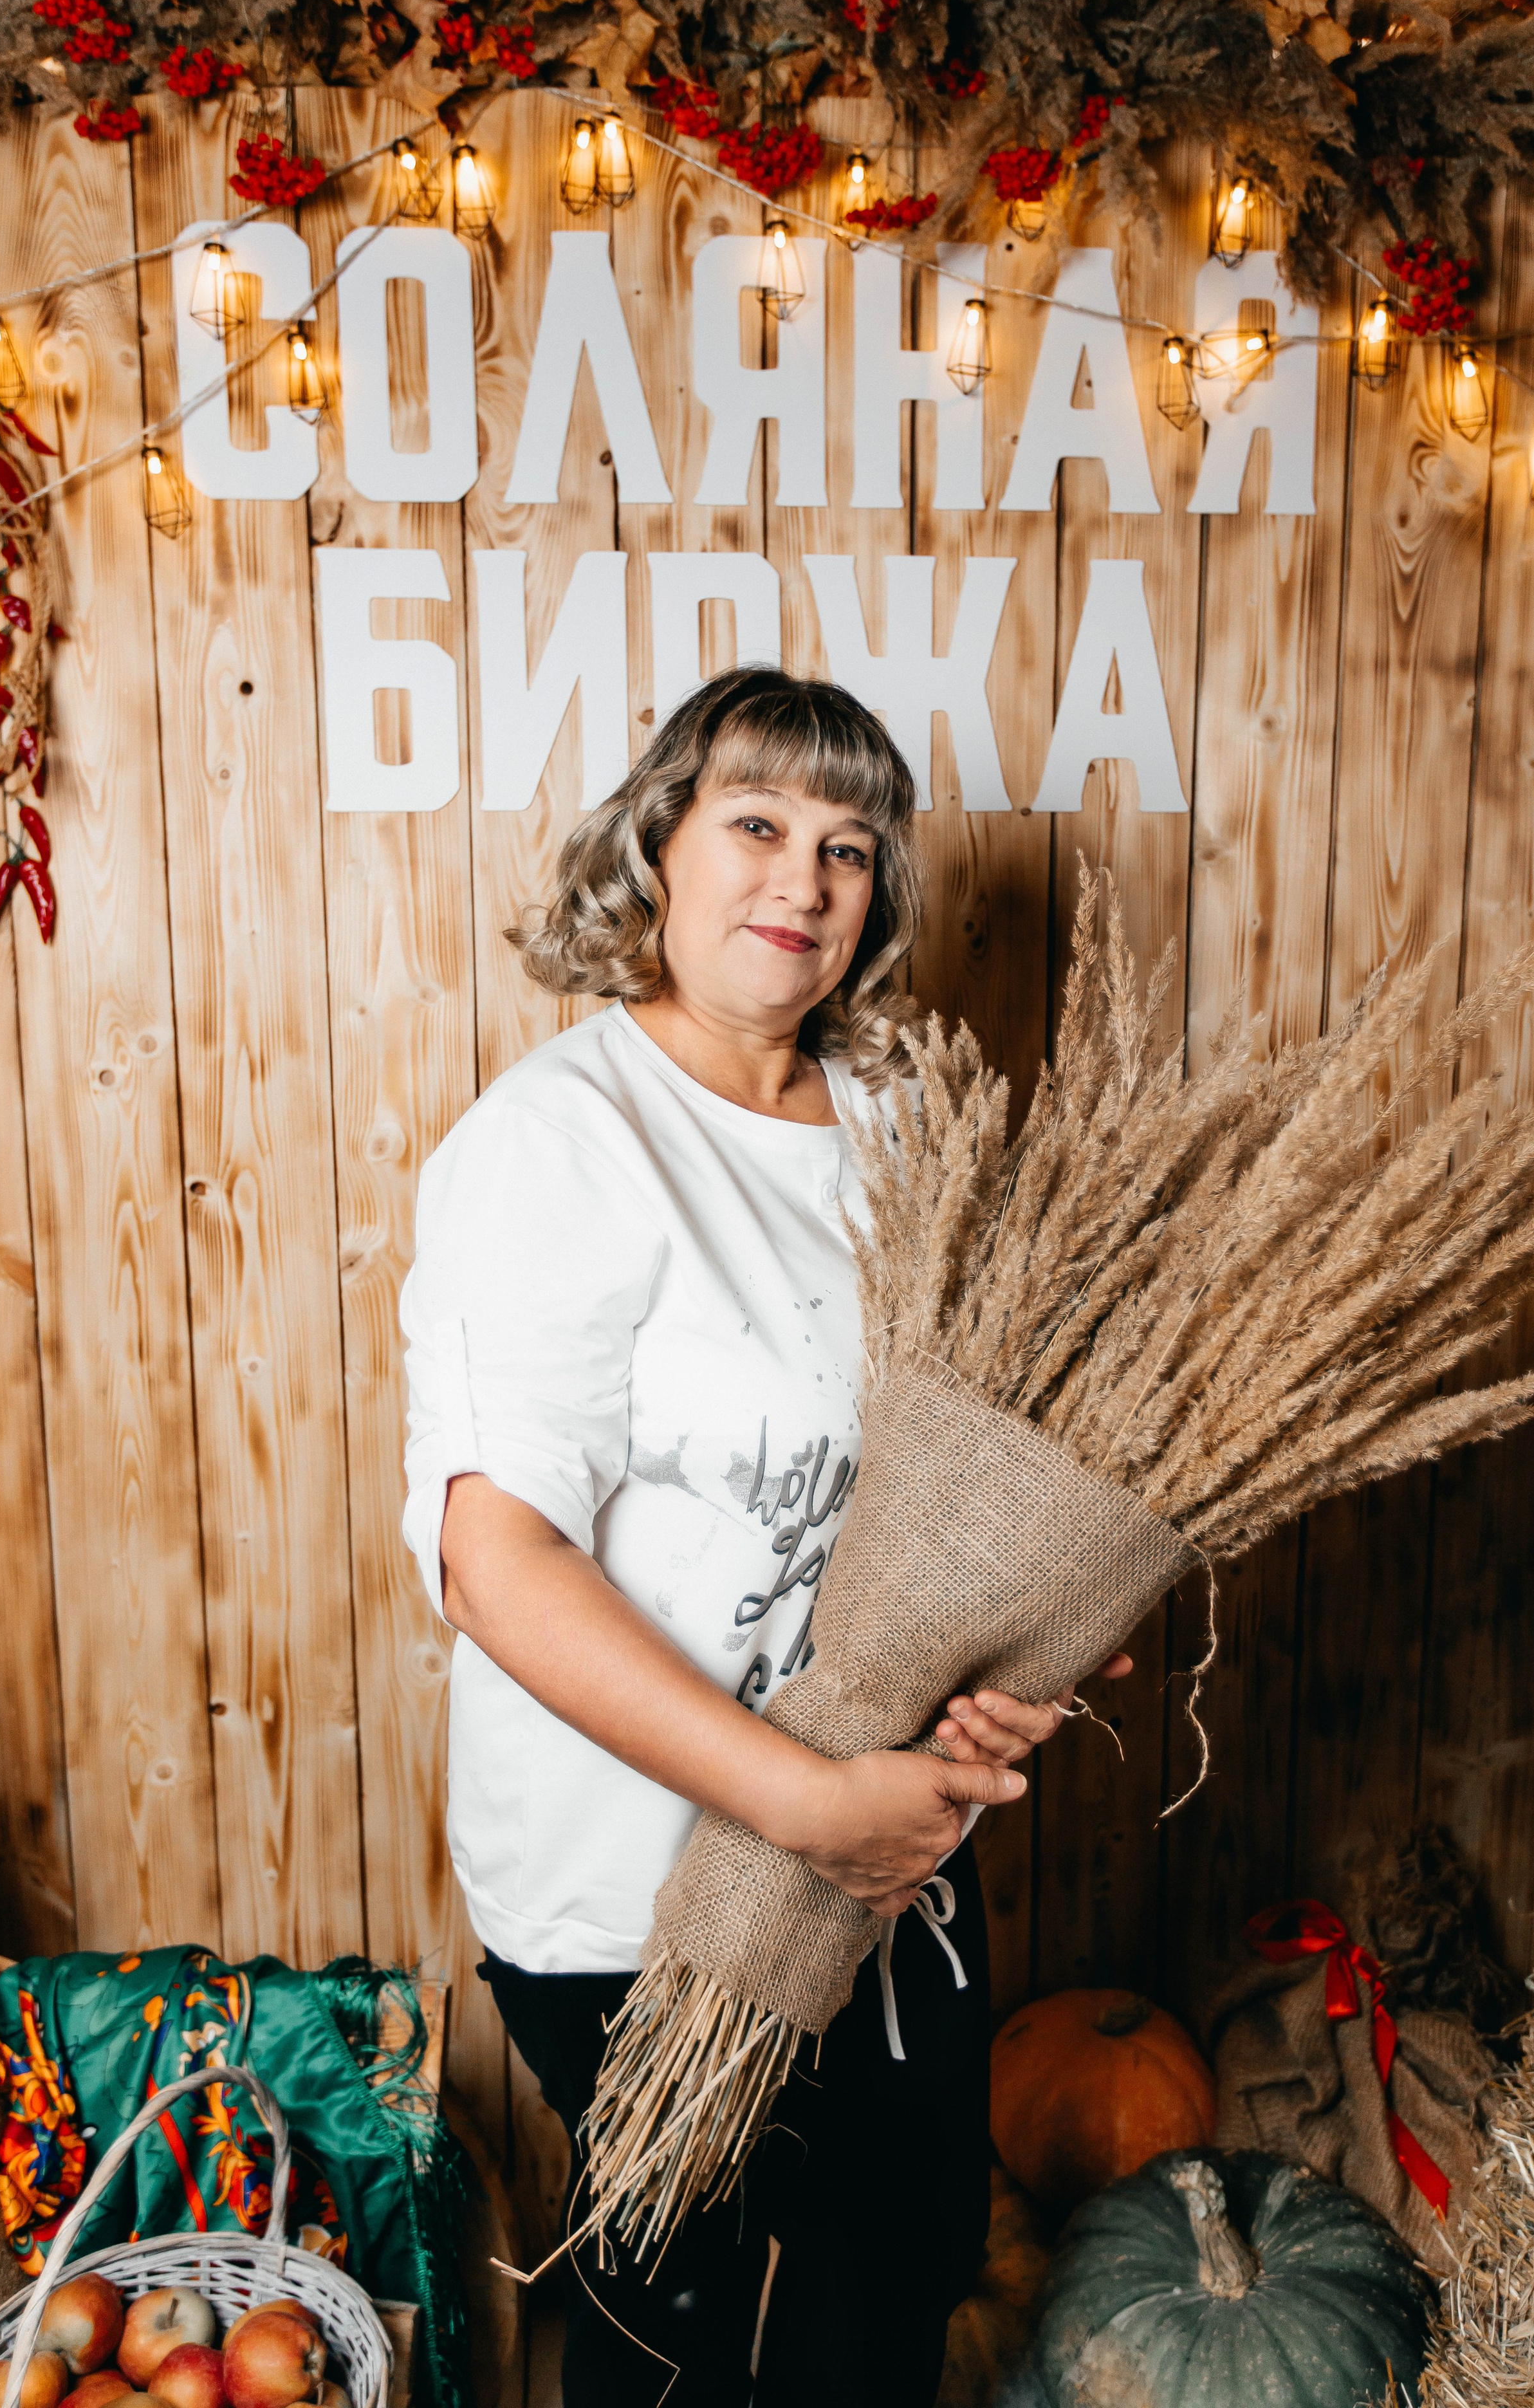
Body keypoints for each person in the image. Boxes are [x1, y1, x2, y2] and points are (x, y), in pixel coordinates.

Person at [400, 669, 1128, 2407]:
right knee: (679, 2342)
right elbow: (499, 1557)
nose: (802, 879)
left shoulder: (907, 1138)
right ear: (657, 845)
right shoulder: (556, 1148)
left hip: (887, 1858)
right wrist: (798, 1798)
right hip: (635, 1890)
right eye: (756, 824)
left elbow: (961, 1496)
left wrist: (1007, 1678)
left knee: (892, 2288)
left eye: (849, 847)